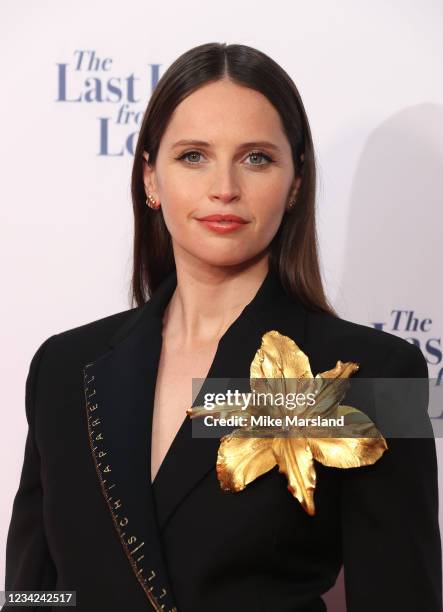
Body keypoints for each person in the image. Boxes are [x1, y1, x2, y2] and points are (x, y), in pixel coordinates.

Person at [4, 42, 442, 612]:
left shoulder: (376, 375)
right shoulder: (64, 367)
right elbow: (38, 593)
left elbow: (400, 598)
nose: (225, 187)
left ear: (295, 184)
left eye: (257, 157)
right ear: (150, 179)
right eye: (193, 156)